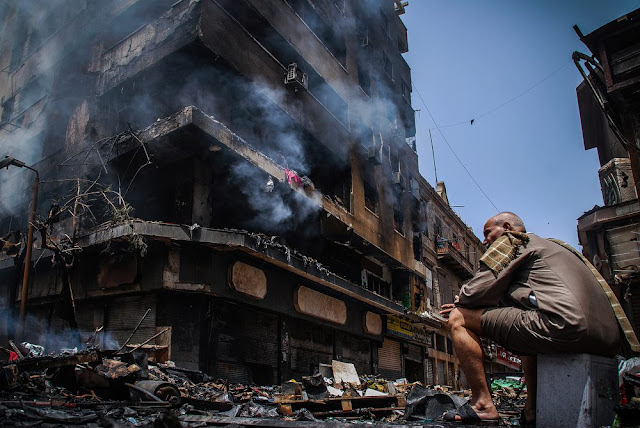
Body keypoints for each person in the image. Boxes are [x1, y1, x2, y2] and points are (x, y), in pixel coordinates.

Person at [440, 212, 621, 424]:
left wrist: (462, 301)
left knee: (458, 317)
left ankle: (482, 404)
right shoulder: (554, 247)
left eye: (488, 233)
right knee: (527, 329)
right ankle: (532, 410)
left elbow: (473, 293)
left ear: (506, 227)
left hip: (566, 325)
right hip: (608, 340)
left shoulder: (512, 242)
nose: (485, 241)